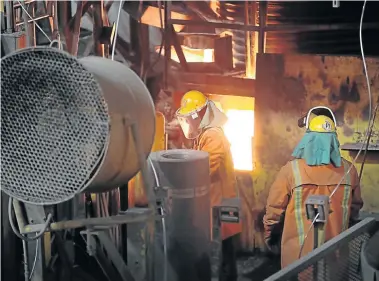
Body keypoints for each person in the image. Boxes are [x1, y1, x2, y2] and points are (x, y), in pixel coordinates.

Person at [263, 106, 364, 269]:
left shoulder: (291, 170)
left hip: (298, 259)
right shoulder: (349, 171)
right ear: (334, 140)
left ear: (308, 139)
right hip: (335, 258)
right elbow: (355, 209)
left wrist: (269, 236)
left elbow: (274, 211)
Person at [176, 90, 241, 281]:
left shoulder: (213, 135)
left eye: (189, 117)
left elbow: (205, 168)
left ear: (199, 114)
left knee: (218, 256)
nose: (188, 122)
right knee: (224, 257)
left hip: (220, 205)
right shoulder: (207, 133)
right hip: (219, 203)